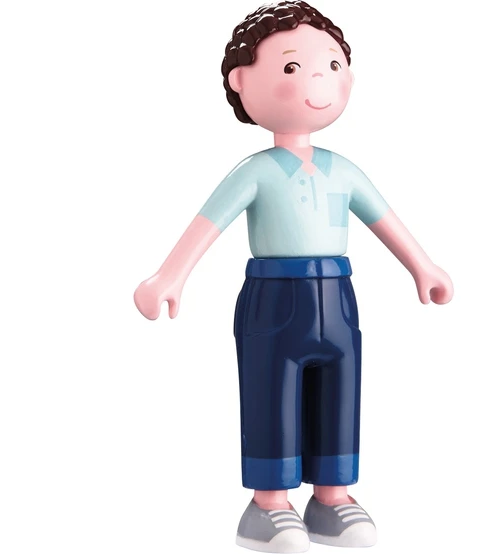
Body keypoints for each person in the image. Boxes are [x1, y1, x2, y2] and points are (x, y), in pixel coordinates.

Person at [134, 2, 453, 551]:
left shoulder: (343, 170)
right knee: (270, 394)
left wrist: (423, 266)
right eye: (291, 67)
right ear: (241, 82)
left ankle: (333, 496)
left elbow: (385, 219)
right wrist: (170, 276)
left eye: (332, 64)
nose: (318, 80)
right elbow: (209, 223)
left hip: (338, 297)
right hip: (274, 300)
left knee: (341, 390)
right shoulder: (256, 172)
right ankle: (269, 505)